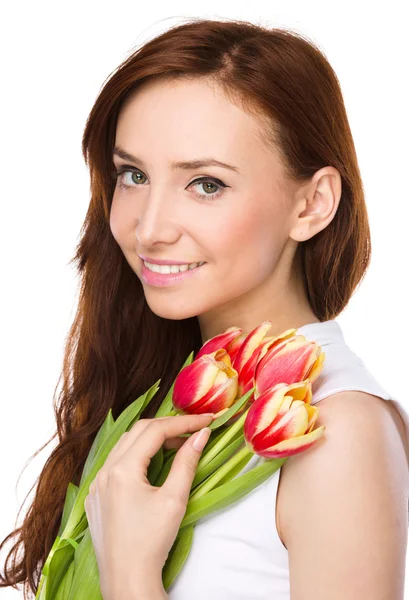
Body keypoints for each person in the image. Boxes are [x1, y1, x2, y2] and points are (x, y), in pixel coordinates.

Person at [1, 16, 408, 600]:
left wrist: (131, 573)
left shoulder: (337, 431)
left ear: (312, 204)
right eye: (133, 174)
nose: (149, 228)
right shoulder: (168, 388)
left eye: (206, 184)